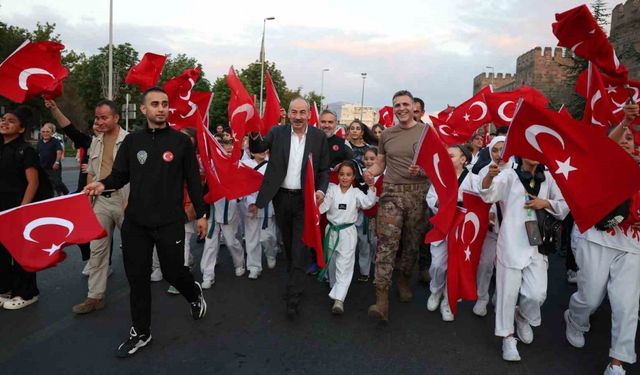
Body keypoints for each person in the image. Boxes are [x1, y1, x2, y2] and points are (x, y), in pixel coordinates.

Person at [83, 86, 208, 358]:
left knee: (174, 272)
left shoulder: (180, 142)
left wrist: (202, 214)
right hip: (136, 224)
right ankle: (141, 332)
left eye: (164, 103)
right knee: (137, 279)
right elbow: (119, 176)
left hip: (169, 222)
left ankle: (193, 293)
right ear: (144, 109)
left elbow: (194, 182)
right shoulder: (132, 142)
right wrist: (101, 183)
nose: (161, 108)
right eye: (155, 104)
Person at [565, 103, 640, 375]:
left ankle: (617, 362)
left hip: (632, 244)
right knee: (591, 298)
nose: (628, 141)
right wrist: (623, 123)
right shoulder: (601, 163)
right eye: (624, 136)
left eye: (632, 138)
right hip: (597, 238)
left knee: (626, 304)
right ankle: (575, 319)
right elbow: (604, 149)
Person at [480, 157, 568, 362]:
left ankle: (522, 315)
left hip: (537, 243)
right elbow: (489, 195)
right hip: (511, 241)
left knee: (537, 294)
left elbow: (564, 206)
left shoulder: (548, 178)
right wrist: (488, 177)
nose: (532, 154)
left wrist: (544, 203)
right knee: (507, 293)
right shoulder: (509, 175)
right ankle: (507, 337)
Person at [249, 97, 330, 320]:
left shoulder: (318, 137)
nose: (298, 116)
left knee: (300, 247)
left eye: (302, 112)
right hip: (281, 198)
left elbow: (324, 170)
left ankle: (293, 297)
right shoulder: (277, 132)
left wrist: (321, 191)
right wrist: (253, 128)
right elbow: (257, 147)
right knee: (288, 244)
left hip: (305, 201)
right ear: (288, 114)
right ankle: (295, 276)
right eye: (294, 112)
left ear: (308, 116)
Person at [46, 99, 126, 314]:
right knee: (97, 249)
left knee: (134, 248)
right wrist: (88, 197)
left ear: (116, 118)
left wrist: (133, 202)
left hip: (125, 200)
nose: (99, 121)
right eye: (97, 117)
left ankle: (141, 290)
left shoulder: (130, 141)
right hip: (101, 201)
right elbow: (91, 170)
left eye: (104, 117)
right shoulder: (96, 141)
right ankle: (95, 297)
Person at [363, 90, 430, 322]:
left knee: (411, 244)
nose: (401, 108)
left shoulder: (426, 133)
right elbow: (381, 163)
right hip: (391, 193)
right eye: (396, 105)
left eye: (405, 104)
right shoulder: (387, 135)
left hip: (417, 195)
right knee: (386, 244)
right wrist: (370, 173)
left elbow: (437, 166)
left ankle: (403, 279)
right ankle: (381, 300)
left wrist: (421, 171)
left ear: (414, 107)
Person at [319, 161, 376, 314]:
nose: (344, 178)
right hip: (331, 230)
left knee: (344, 265)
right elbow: (323, 207)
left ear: (353, 177)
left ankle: (339, 300)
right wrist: (317, 200)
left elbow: (368, 203)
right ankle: (334, 287)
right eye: (342, 174)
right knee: (331, 262)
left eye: (348, 175)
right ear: (337, 176)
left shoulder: (356, 193)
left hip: (348, 232)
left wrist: (371, 188)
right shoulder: (331, 190)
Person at [0, 106, 42, 310]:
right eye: (3, 119)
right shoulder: (1, 147)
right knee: (1, 252)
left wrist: (22, 210)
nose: (4, 122)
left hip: (17, 209)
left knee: (20, 253)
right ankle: (5, 288)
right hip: (1, 209)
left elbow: (32, 183)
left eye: (11, 121)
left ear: (21, 129)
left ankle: (27, 293)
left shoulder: (26, 150)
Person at [425, 144, 471, 322]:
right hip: (442, 227)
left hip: (462, 230)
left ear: (463, 159)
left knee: (455, 267)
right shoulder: (440, 177)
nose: (447, 158)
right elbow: (431, 198)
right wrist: (443, 204)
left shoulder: (472, 179)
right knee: (438, 265)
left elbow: (479, 201)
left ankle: (448, 300)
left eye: (451, 155)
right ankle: (435, 290)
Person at [242, 149, 278, 278]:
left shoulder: (274, 163)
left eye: (264, 149)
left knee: (268, 237)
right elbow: (242, 185)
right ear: (252, 152)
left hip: (267, 204)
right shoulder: (245, 164)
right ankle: (254, 267)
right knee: (251, 238)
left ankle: (271, 253)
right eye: (258, 149)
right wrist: (251, 202)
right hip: (250, 204)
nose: (262, 152)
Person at [37, 122, 69, 196]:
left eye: (47, 132)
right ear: (41, 133)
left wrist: (57, 162)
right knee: (47, 183)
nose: (45, 133)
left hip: (54, 166)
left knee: (57, 182)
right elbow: (37, 153)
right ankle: (54, 196)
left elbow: (59, 151)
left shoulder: (55, 141)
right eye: (43, 132)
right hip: (43, 167)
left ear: (51, 133)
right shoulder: (39, 142)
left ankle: (68, 194)